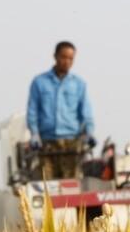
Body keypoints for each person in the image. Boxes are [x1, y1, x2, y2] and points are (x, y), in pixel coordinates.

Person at [26, 41, 95, 181]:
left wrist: (89, 132)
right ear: (55, 56)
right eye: (63, 57)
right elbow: (32, 111)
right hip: (46, 144)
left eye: (71, 58)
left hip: (71, 144)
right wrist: (34, 133)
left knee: (71, 187)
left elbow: (86, 113)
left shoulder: (78, 84)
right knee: (48, 186)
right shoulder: (39, 82)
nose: (67, 62)